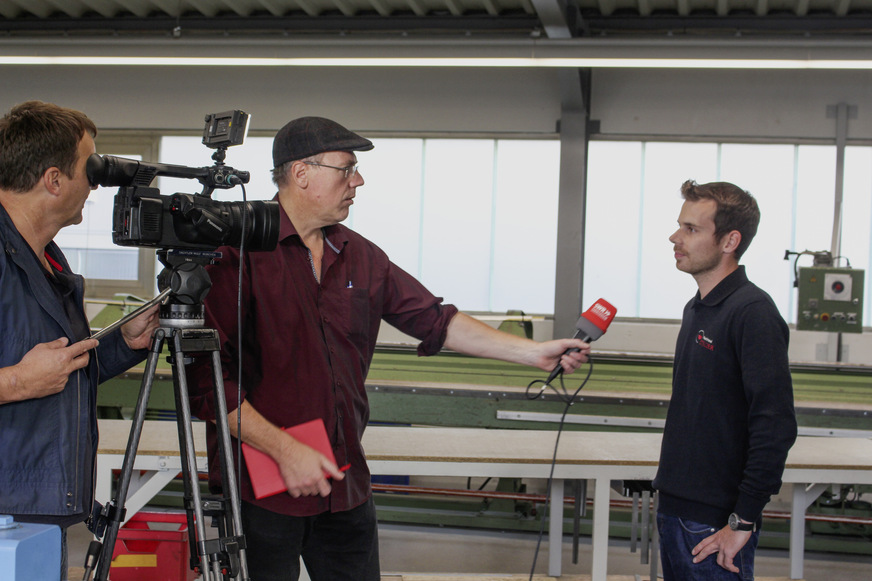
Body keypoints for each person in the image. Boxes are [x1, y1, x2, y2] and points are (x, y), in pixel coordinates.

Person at [188, 116, 591, 581]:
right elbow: (207, 381)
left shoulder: (359, 254)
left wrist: (532, 353)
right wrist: (284, 449)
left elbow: (434, 319)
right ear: (302, 174)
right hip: (260, 486)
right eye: (347, 169)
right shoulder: (233, 253)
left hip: (343, 481)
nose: (358, 180)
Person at [0, 101, 159, 576]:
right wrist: (17, 382)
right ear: (53, 180)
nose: (94, 184)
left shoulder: (47, 258)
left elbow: (56, 373)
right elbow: (31, 377)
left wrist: (122, 345)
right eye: (89, 169)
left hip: (36, 501)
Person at [652, 180, 798, 580]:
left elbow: (775, 424)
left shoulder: (752, 313)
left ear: (730, 240)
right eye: (680, 225)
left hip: (715, 521)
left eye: (691, 229)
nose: (674, 237)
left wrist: (743, 520)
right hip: (677, 507)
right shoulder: (697, 308)